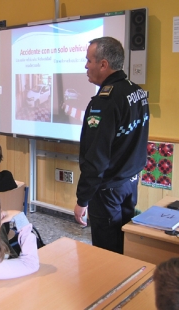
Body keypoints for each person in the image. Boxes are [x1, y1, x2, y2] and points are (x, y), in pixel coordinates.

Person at [73, 37, 150, 254]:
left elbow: (96, 158)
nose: (86, 66)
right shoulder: (138, 93)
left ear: (104, 64)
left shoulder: (104, 102)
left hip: (108, 191)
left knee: (107, 250)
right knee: (124, 240)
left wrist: (82, 199)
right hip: (130, 183)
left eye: (89, 60)